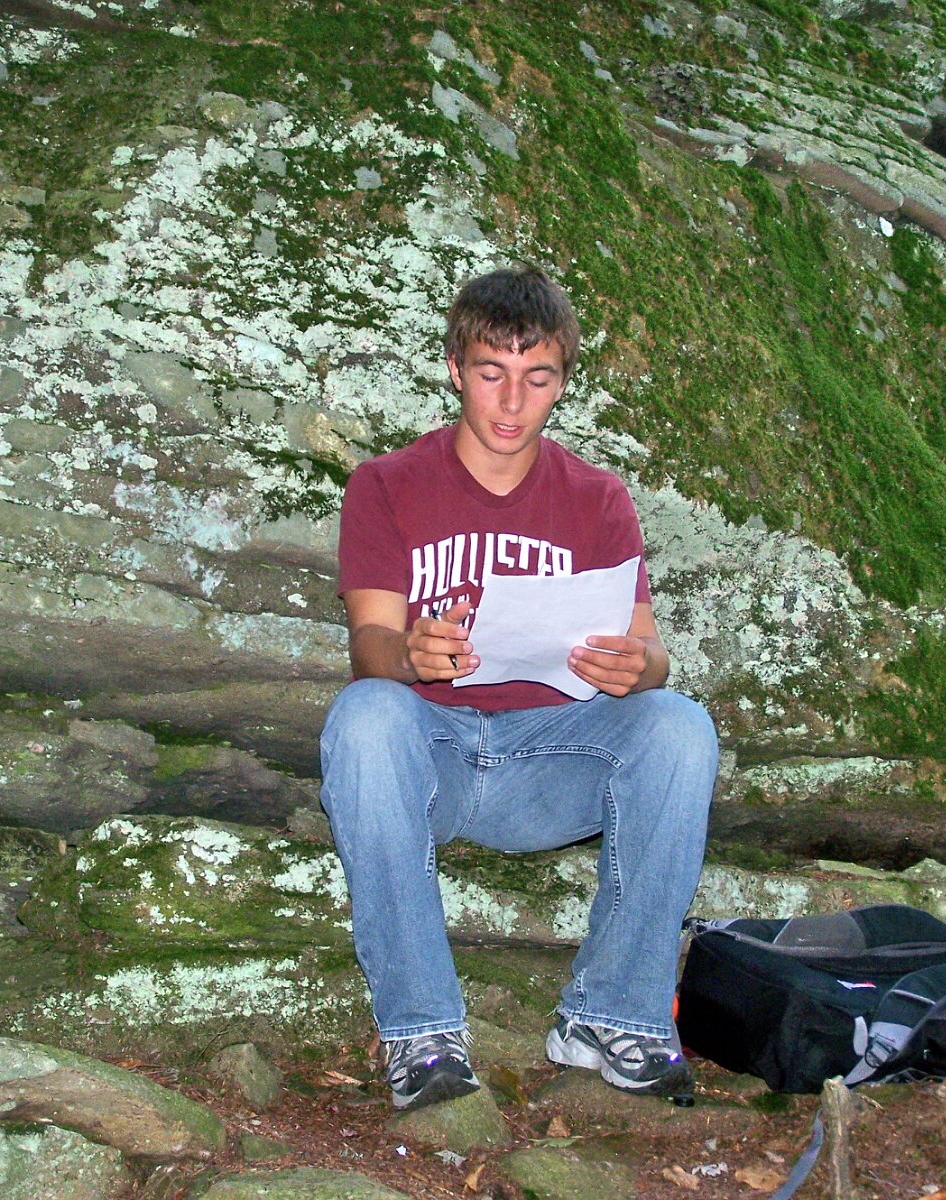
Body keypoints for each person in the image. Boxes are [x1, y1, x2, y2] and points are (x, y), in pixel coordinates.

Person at [319, 264, 718, 1109]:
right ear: (454, 370)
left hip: (550, 761)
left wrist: (636, 668)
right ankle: (422, 1032)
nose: (510, 402)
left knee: (679, 725)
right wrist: (411, 654)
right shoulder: (386, 484)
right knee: (364, 714)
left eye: (535, 379)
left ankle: (613, 1017)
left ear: (561, 382)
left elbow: (650, 652)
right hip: (428, 757)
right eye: (490, 374)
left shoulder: (597, 498)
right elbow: (368, 645)